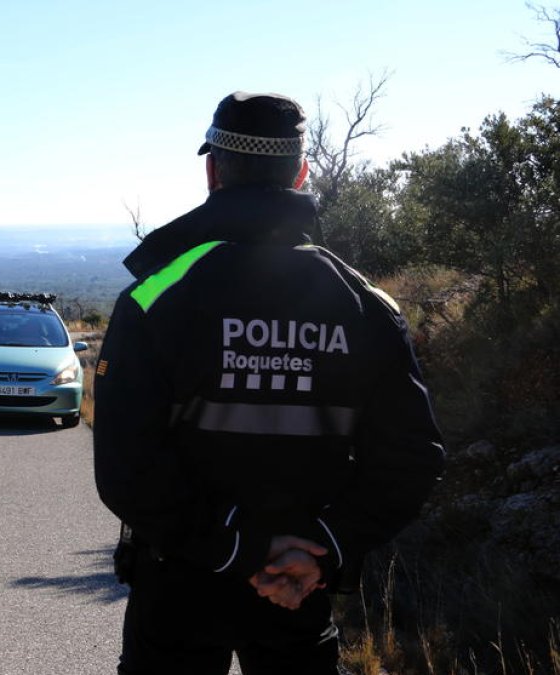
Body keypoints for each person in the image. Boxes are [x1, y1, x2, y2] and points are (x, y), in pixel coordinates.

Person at [93, 92, 445, 675]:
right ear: (301, 171)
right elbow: (413, 457)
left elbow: (126, 465)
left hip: (180, 582)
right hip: (298, 583)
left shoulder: (156, 297)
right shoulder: (365, 304)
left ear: (213, 171)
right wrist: (321, 548)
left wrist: (235, 548)